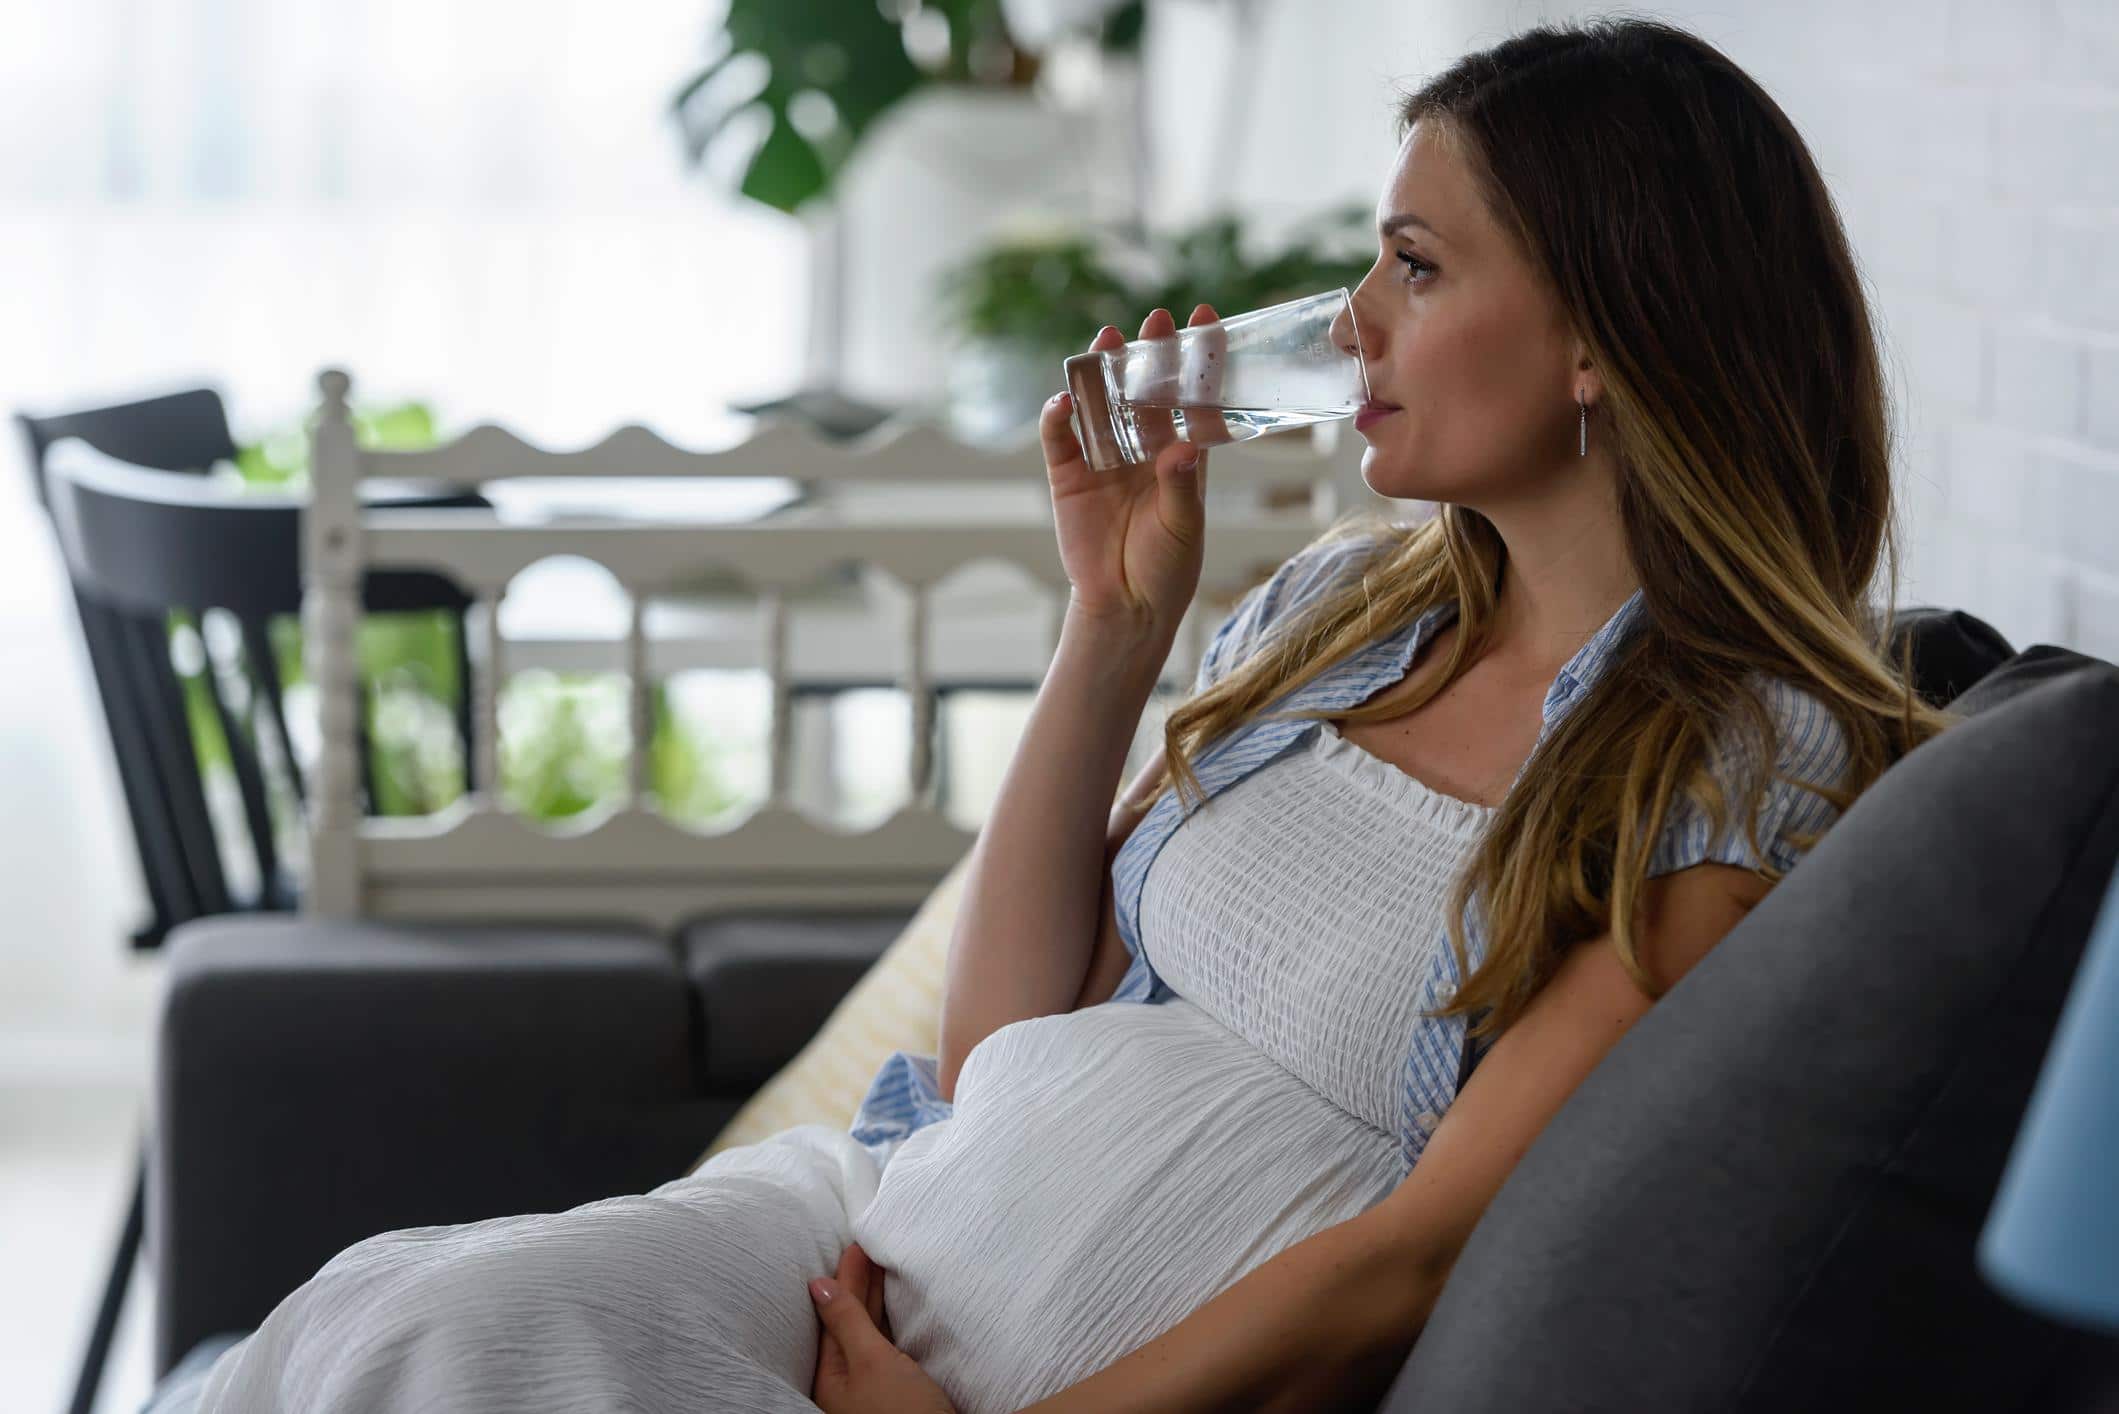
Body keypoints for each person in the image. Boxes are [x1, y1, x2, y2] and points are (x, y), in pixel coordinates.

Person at [190, 17, 1958, 1414]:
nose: (1352, 324)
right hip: (870, 1229)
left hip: (1035, 1384)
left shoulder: (1727, 764)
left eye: (1417, 266)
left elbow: (1418, 1254)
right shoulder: (1336, 613)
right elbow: (992, 1053)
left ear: (1601, 335)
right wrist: (1112, 626)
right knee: (390, 1330)